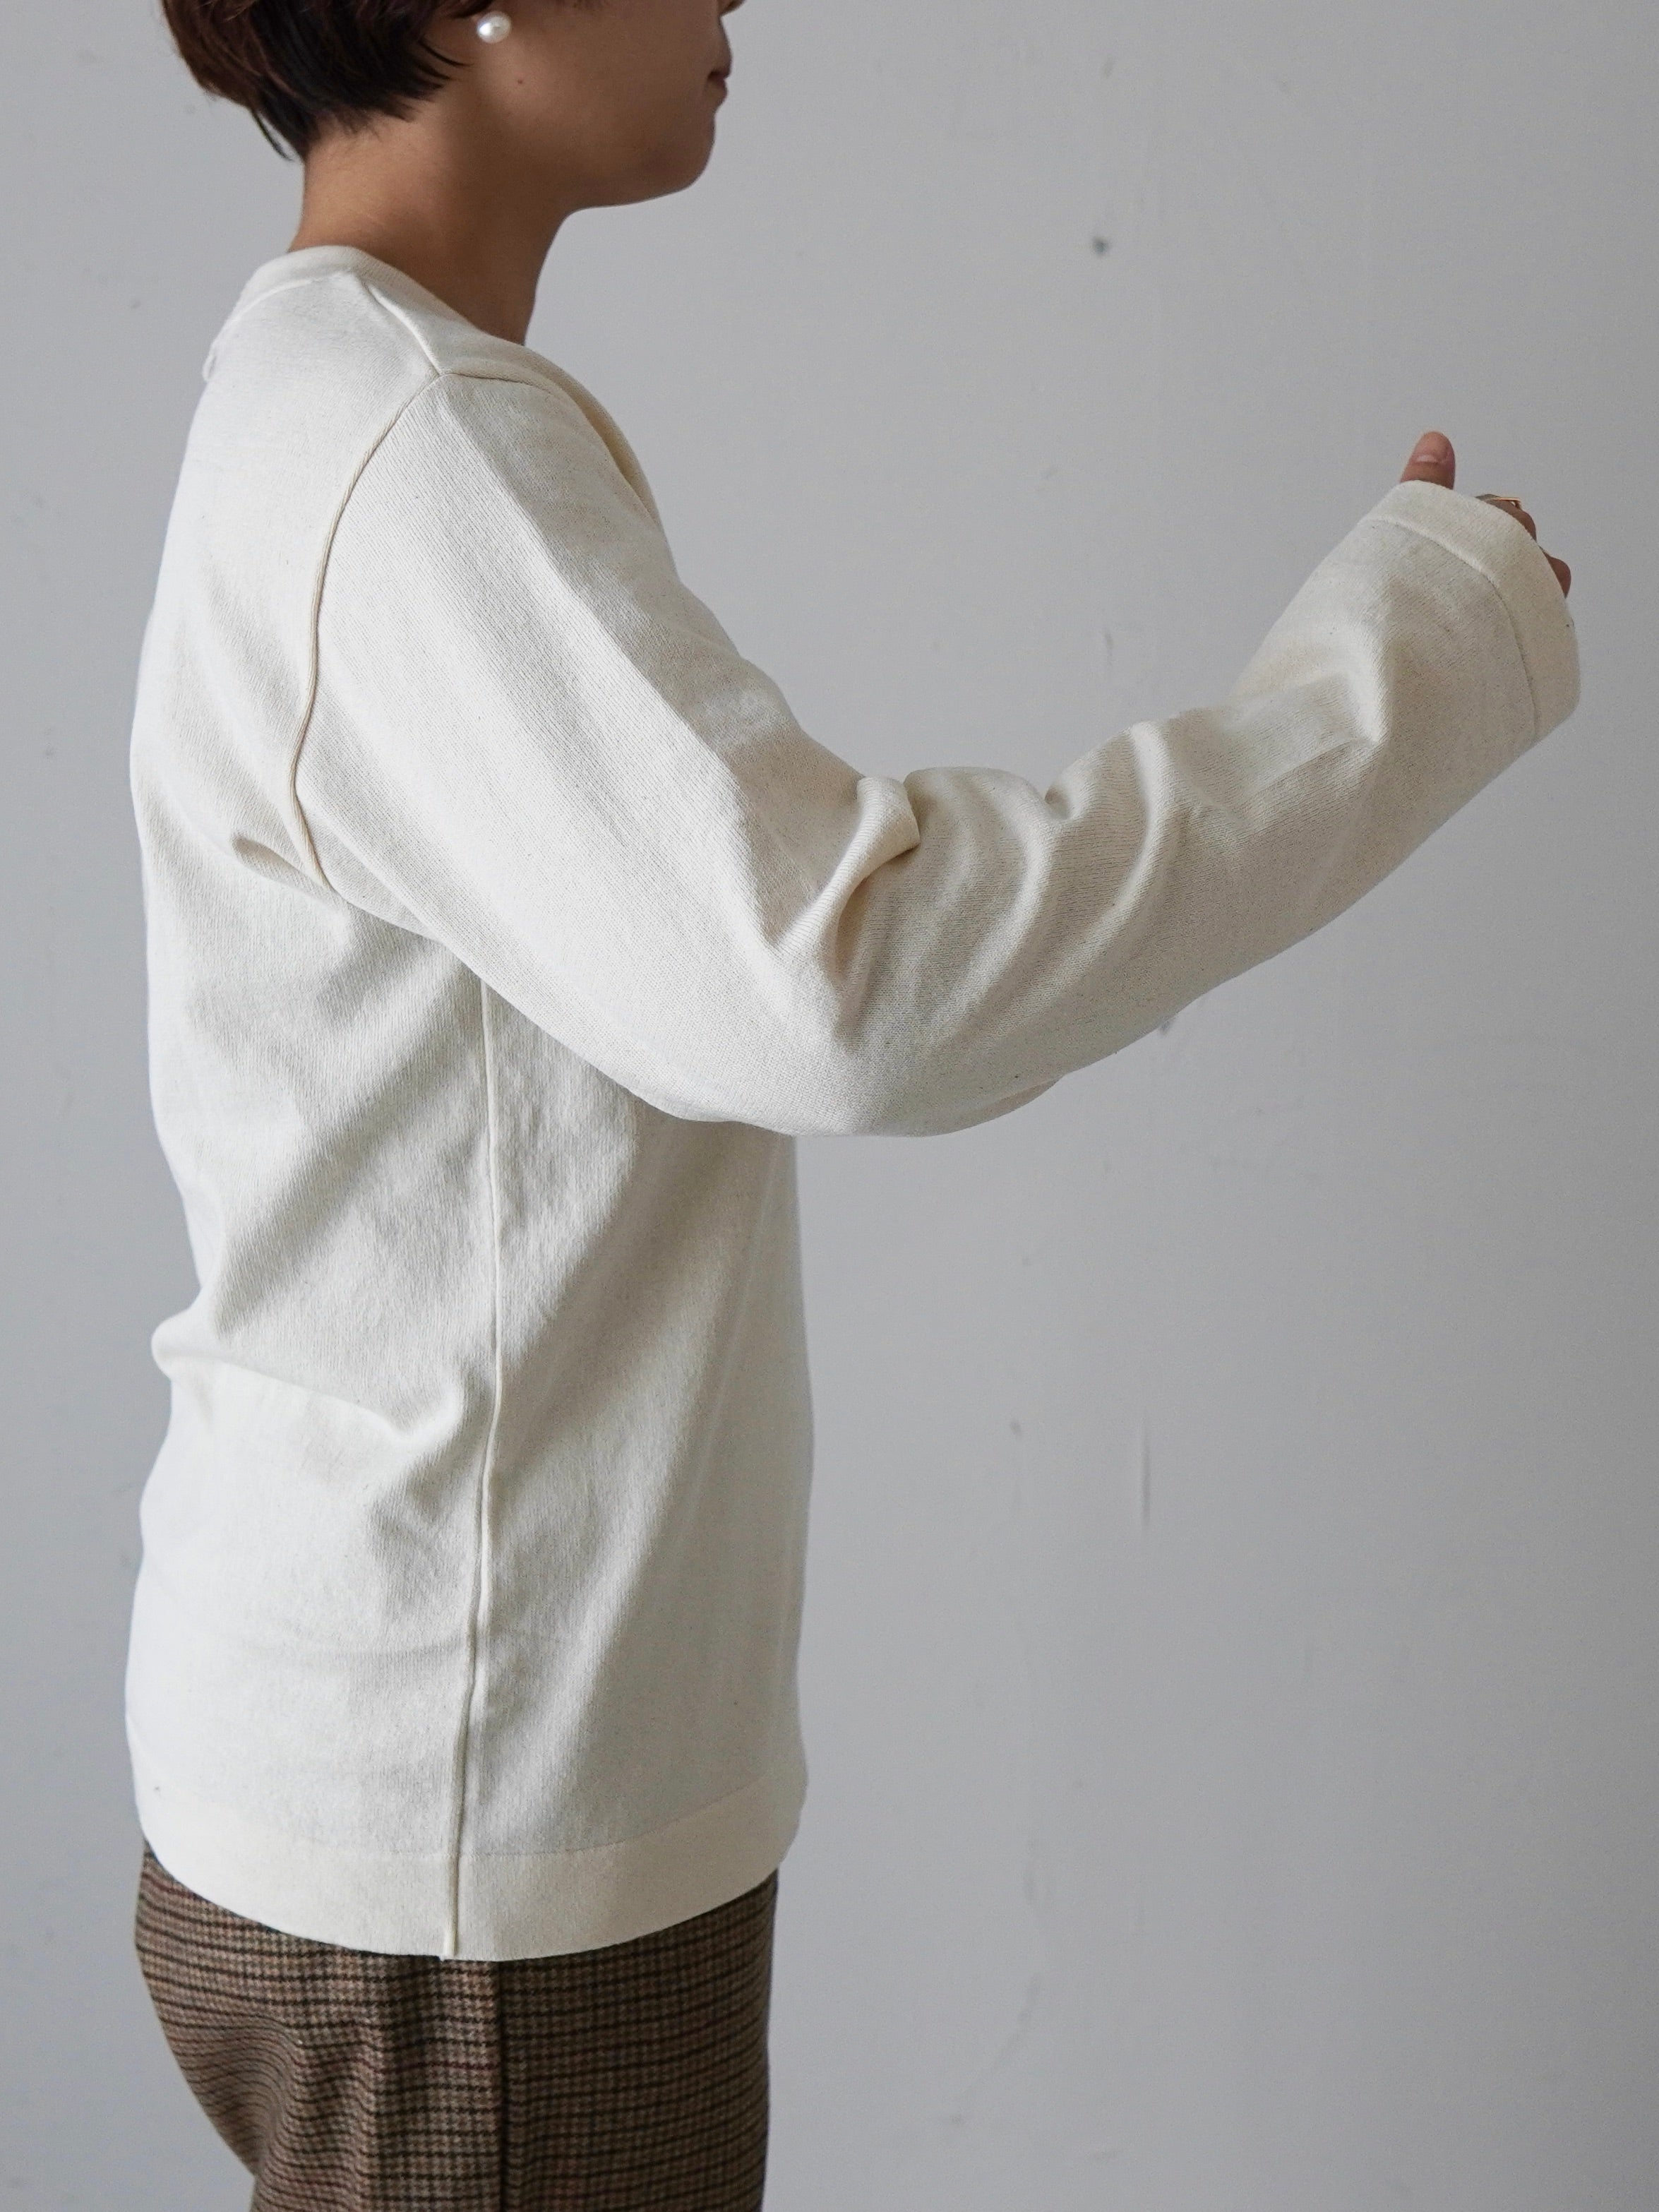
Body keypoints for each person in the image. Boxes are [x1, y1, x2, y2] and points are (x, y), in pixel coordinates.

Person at [124, 1, 1576, 2206]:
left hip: (422, 1784)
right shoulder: (406, 447)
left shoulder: (344, 401)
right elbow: (849, 985)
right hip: (473, 1855)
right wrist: (1405, 681)